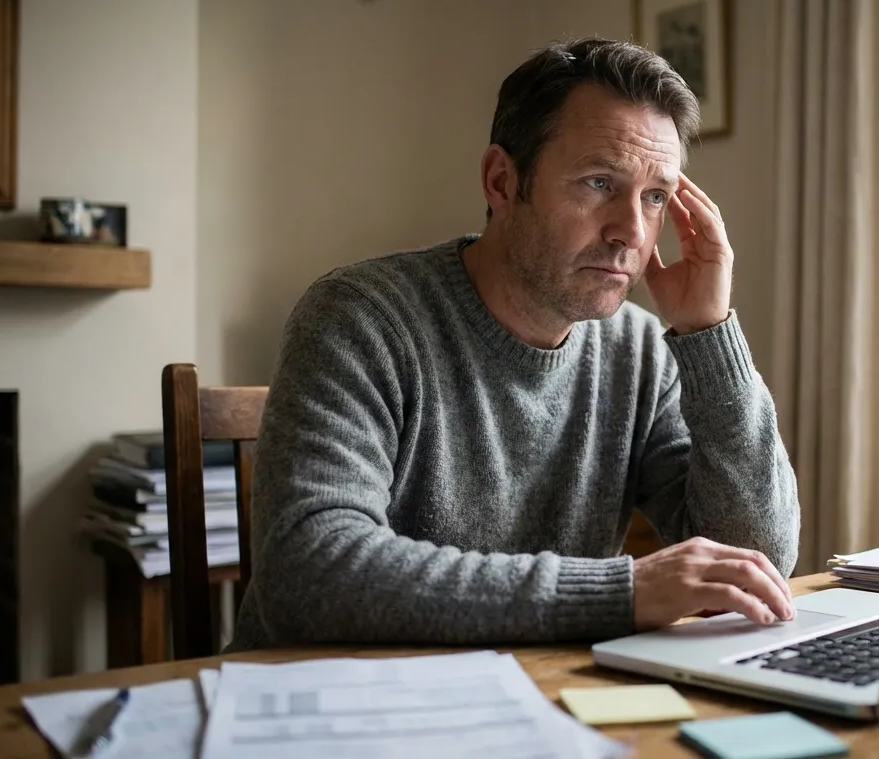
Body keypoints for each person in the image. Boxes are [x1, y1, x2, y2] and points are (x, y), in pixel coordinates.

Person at [228, 37, 800, 651]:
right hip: (331, 711)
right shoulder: (360, 317)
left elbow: (754, 560)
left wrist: (709, 333)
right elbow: (309, 574)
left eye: (655, 196)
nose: (631, 232)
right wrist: (621, 593)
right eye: (599, 182)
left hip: (537, 701)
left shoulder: (640, 349)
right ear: (502, 181)